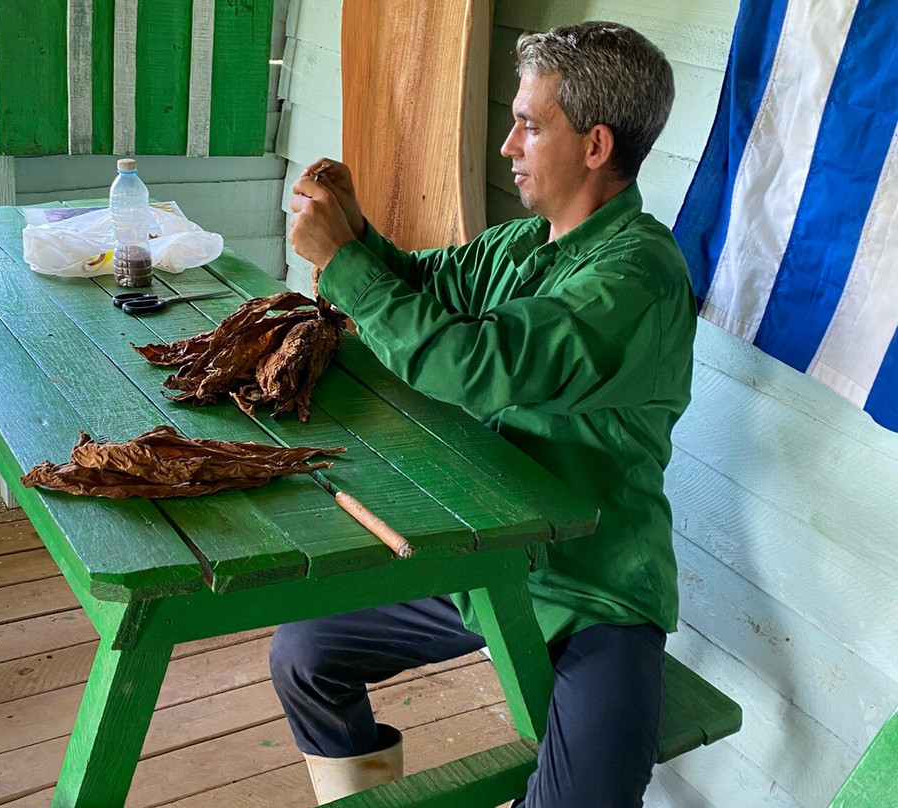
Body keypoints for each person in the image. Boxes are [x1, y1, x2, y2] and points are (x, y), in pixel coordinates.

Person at [277, 20, 695, 808]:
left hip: (589, 590)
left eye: (529, 126)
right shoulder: (522, 246)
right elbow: (420, 282)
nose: (508, 145)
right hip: (483, 565)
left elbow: (478, 365)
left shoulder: (638, 276)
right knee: (305, 652)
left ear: (596, 145)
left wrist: (340, 260)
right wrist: (357, 230)